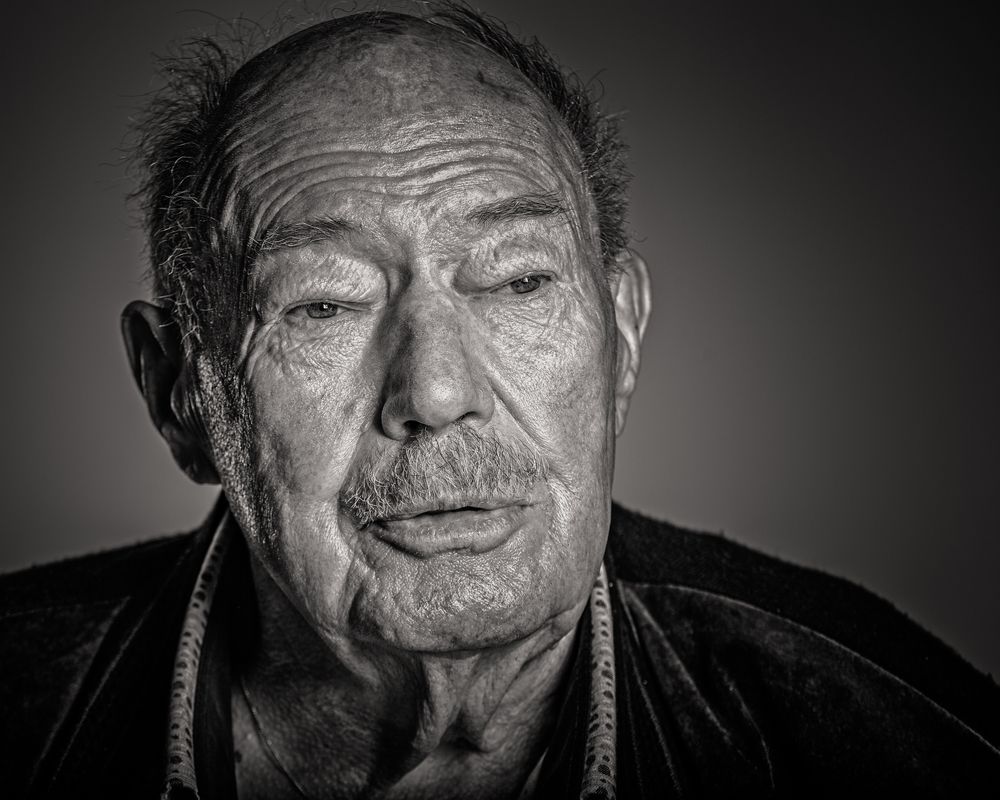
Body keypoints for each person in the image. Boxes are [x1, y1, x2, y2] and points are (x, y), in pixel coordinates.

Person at [1, 4, 997, 798]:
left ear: (620, 339)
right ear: (179, 390)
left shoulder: (885, 726)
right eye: (325, 302)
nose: (437, 392)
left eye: (519, 280)